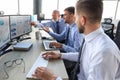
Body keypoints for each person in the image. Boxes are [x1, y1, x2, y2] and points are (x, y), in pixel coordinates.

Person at [32, 0, 120, 80]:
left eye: (76, 17)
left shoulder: (104, 53)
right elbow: (82, 56)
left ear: (82, 20)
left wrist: (53, 78)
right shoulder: (91, 39)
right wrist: (60, 55)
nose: (75, 21)